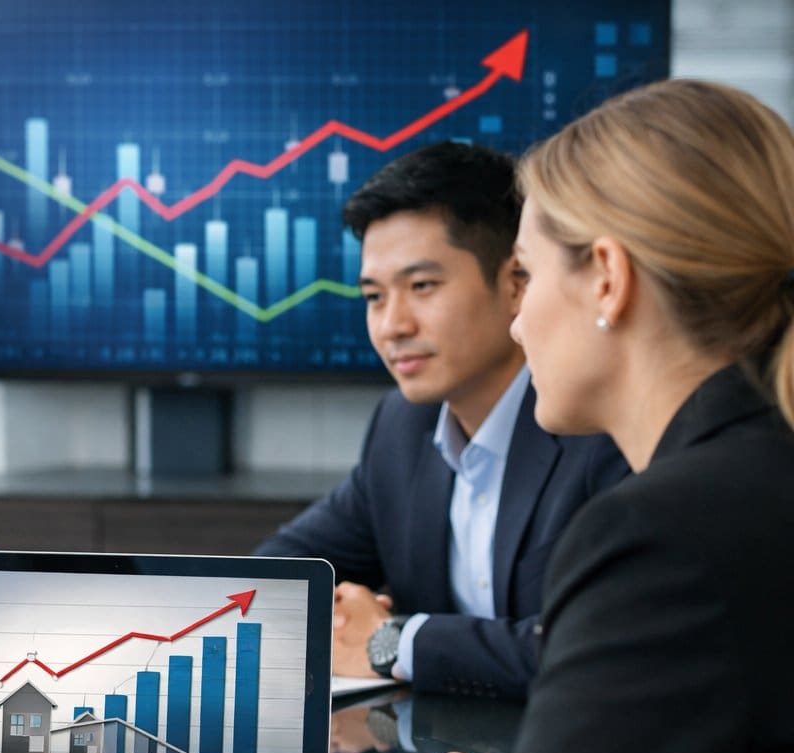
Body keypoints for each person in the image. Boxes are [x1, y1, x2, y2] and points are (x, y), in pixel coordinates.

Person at [361, 79, 794, 753]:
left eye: (528, 275)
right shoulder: (761, 474)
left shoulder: (665, 532)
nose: (519, 320)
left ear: (607, 276)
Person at [254, 142, 628, 697]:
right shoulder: (400, 426)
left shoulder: (599, 425)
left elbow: (599, 648)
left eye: (422, 287)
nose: (392, 325)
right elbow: (278, 572)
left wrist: (392, 642)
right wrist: (335, 615)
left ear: (516, 284)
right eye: (374, 296)